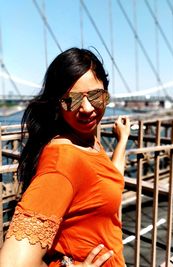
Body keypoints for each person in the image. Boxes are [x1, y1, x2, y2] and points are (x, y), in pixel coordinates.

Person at [0, 47, 130, 266]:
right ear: (57, 105)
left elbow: (110, 180)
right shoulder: (63, 162)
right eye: (72, 100)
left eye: (97, 96)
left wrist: (122, 140)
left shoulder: (87, 139)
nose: (88, 109)